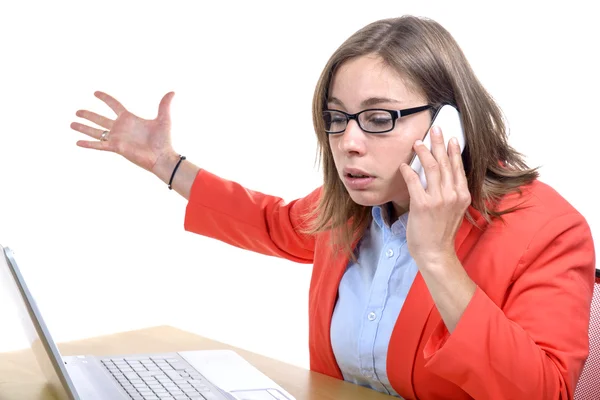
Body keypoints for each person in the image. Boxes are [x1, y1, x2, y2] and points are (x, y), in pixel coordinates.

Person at [69, 15, 595, 400]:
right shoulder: (351, 210)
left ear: (448, 126)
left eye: (379, 118)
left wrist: (436, 258)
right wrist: (167, 163)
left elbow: (543, 393)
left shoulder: (547, 231)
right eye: (337, 117)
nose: (348, 142)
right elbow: (271, 221)